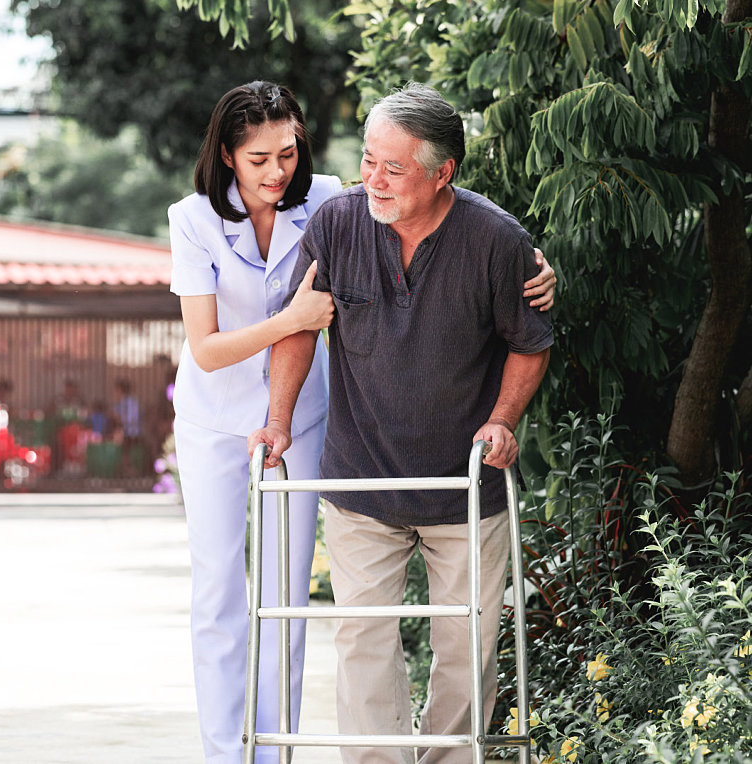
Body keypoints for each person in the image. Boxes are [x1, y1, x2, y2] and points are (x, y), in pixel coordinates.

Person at [169, 81, 555, 764]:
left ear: (443, 173)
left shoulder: (449, 227)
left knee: (437, 638)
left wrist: (505, 406)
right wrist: (280, 402)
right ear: (227, 156)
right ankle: (241, 753)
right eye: (258, 158)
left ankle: (417, 756)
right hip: (289, 447)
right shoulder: (263, 218)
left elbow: (523, 320)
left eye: (287, 153)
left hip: (404, 463)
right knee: (288, 616)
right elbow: (250, 338)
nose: (276, 171)